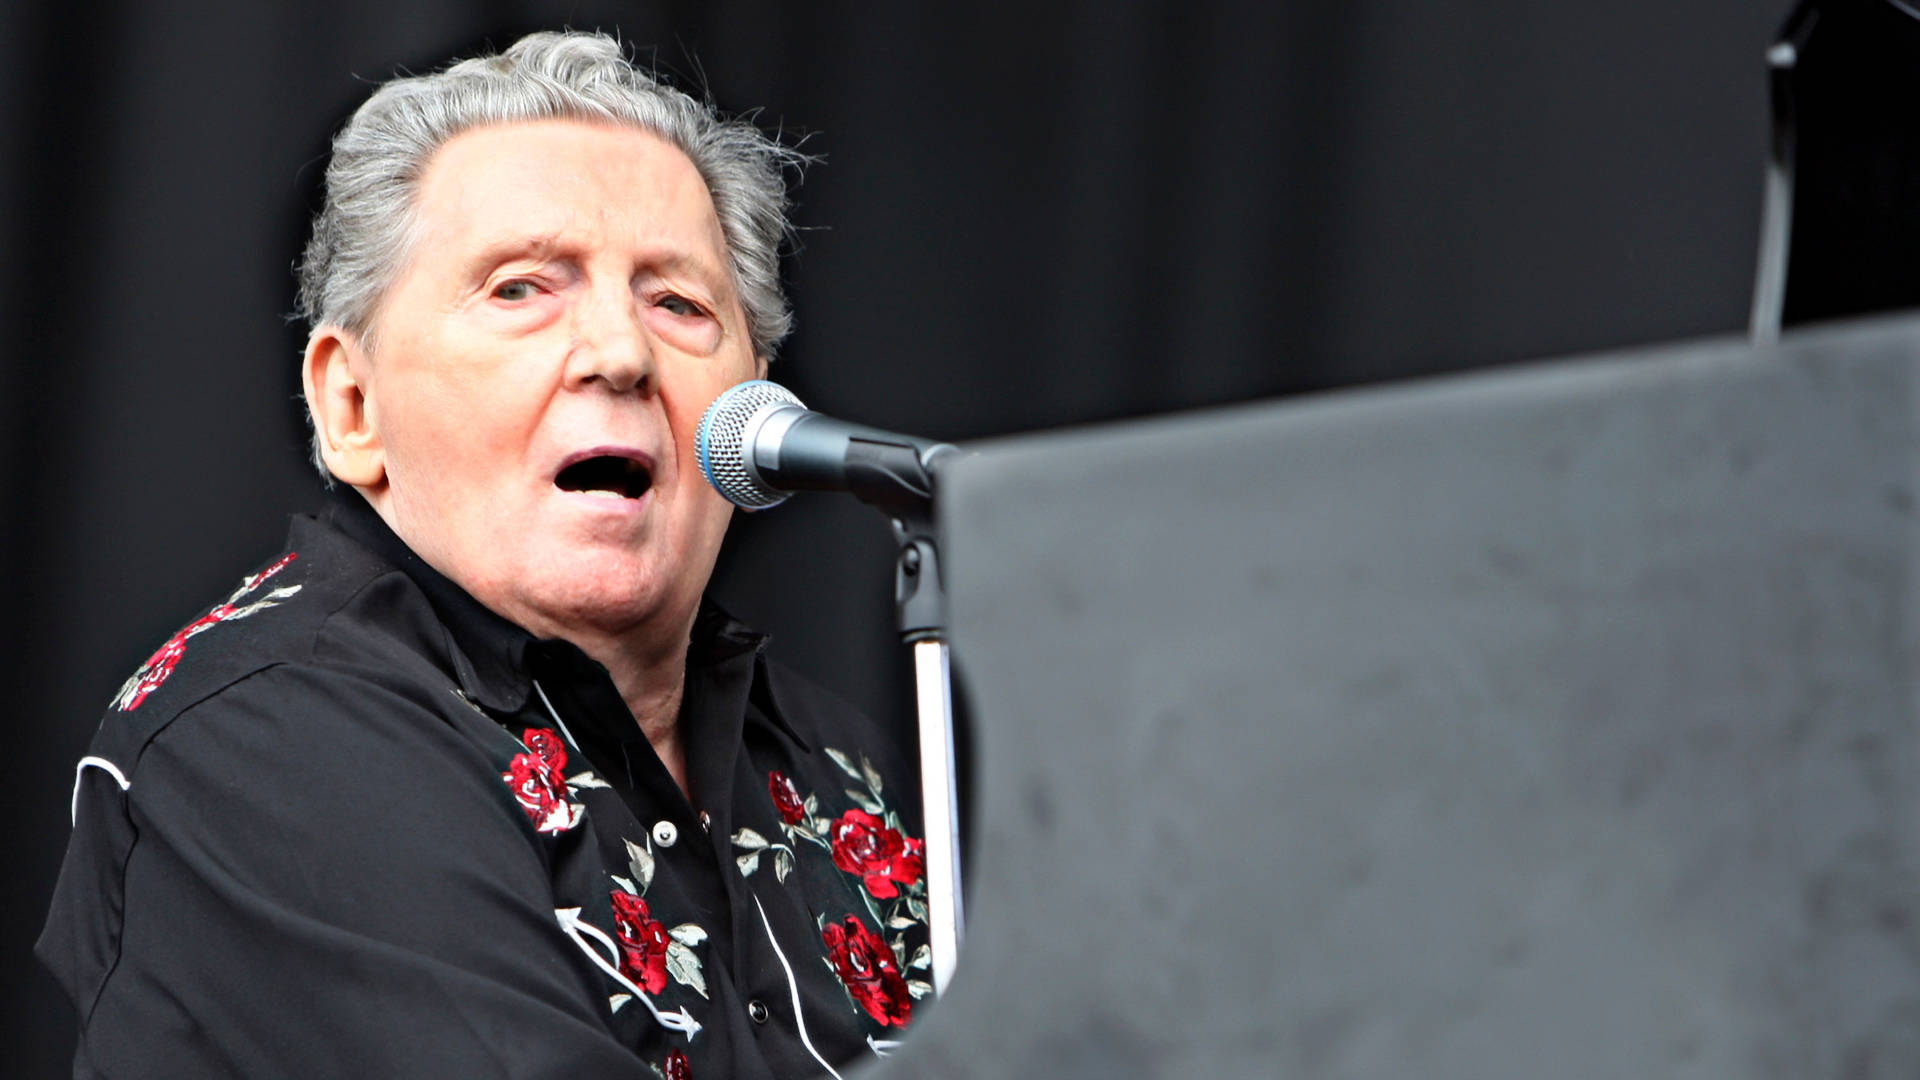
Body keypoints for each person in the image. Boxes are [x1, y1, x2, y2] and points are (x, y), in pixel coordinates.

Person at [38, 31, 931, 1079]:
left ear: (759, 400)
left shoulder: (836, 761)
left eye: (679, 303)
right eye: (520, 289)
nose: (620, 353)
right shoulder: (263, 735)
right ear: (351, 405)